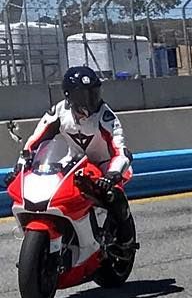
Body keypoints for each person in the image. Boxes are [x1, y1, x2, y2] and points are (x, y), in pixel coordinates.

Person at [10, 66, 136, 259]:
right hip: (74, 162)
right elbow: (34, 142)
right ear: (70, 96)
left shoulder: (106, 116)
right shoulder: (59, 111)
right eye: (83, 95)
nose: (91, 100)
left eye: (93, 93)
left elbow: (120, 151)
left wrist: (112, 174)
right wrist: (20, 166)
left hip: (103, 164)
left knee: (113, 194)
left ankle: (126, 240)